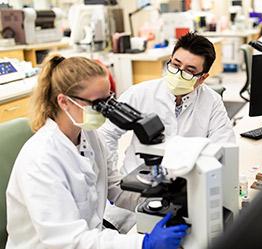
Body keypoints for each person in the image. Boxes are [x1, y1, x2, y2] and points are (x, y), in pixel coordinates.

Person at [5, 55, 188, 249]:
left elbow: (114, 187)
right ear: (64, 102)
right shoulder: (41, 159)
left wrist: (160, 202)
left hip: (90, 238)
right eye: (97, 104)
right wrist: (143, 243)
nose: (105, 111)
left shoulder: (90, 136)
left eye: (108, 100)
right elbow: (67, 241)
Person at [99, 32, 235, 176]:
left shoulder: (212, 101)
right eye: (175, 65)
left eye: (189, 71)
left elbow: (224, 145)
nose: (178, 74)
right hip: (137, 182)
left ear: (202, 78)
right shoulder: (140, 93)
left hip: (186, 182)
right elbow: (106, 134)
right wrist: (112, 179)